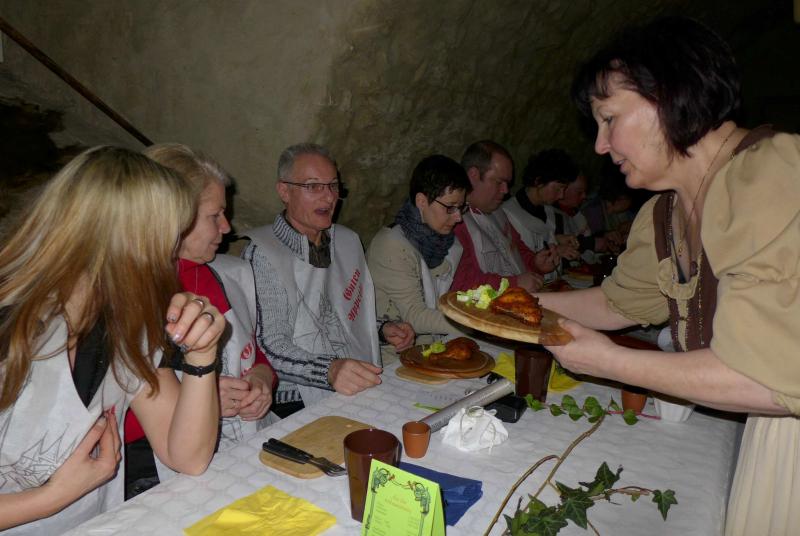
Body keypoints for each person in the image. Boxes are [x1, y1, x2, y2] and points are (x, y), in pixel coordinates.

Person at [539, 16, 800, 535]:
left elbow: (765, 376)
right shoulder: (665, 213)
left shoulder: (768, 174)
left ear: (668, 95)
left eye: (609, 118)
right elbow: (616, 303)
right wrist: (507, 305)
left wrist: (609, 361)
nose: (600, 145)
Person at [0, 146, 223, 534]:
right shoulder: (10, 325)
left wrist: (202, 354)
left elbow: (187, 457)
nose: (171, 256)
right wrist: (52, 497)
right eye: (167, 237)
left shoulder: (125, 322)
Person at [122, 144, 279, 498]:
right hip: (149, 464)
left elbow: (253, 354)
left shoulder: (217, 275)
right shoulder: (133, 293)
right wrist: (200, 403)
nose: (227, 226)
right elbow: (118, 412)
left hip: (235, 442)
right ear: (173, 217)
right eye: (214, 215)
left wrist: (260, 380)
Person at [242, 143, 414, 417]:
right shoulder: (263, 253)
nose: (329, 196)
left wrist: (383, 330)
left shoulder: (346, 241)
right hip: (295, 400)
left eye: (333, 185)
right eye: (313, 186)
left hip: (355, 381)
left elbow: (339, 317)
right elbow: (270, 345)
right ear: (284, 191)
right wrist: (330, 370)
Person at [367, 154, 470, 340]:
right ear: (421, 201)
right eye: (450, 207)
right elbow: (414, 316)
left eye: (461, 207)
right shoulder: (392, 245)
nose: (458, 217)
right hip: (396, 352)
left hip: (433, 345)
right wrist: (475, 324)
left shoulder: (443, 240)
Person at [451, 140, 558, 293]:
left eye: (507, 183)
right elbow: (460, 283)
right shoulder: (453, 220)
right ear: (473, 175)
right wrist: (514, 283)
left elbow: (518, 250)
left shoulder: (498, 212)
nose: (505, 190)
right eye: (499, 182)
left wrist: (536, 263)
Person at [501, 148, 581, 274]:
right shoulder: (507, 213)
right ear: (538, 181)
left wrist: (557, 239)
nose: (561, 196)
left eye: (564, 189)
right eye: (558, 189)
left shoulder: (549, 212)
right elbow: (512, 258)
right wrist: (556, 250)